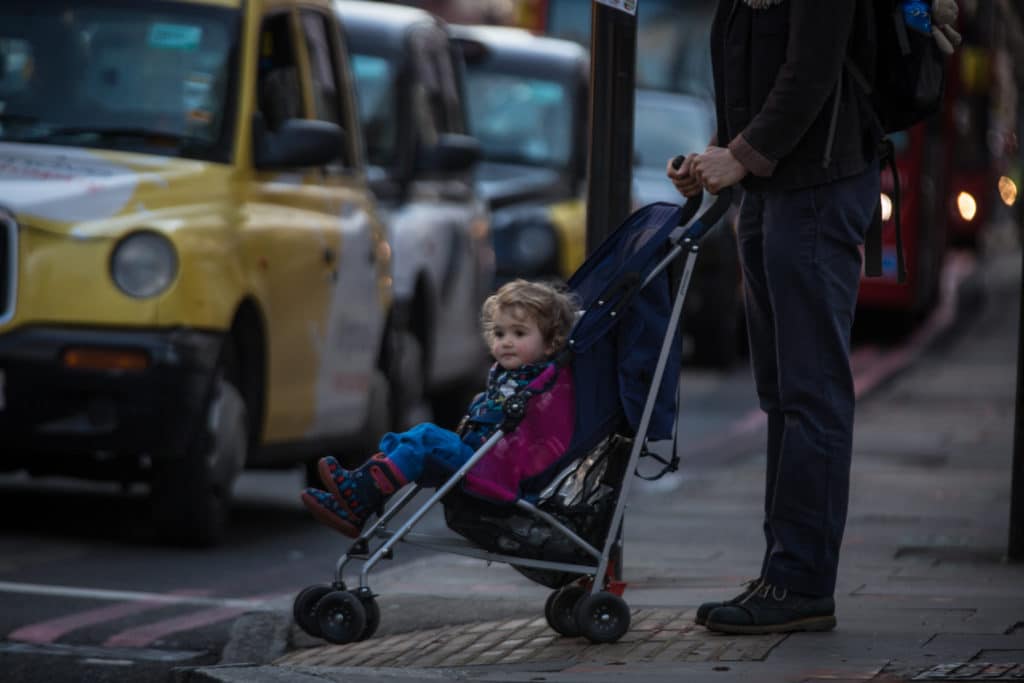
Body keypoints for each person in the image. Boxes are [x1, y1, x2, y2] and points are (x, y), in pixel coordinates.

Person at [666, 1, 890, 635]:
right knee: (782, 395)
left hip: (817, 189)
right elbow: (751, 72)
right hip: (771, 195)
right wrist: (716, 156)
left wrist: (741, 155)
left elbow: (810, 72)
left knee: (812, 393)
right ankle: (781, 574)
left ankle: (802, 582)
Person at [301, 278, 577, 538]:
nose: (505, 342)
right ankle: (358, 503)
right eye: (499, 333)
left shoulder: (547, 388)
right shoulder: (515, 375)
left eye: (519, 333)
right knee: (410, 442)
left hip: (498, 474)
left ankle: (359, 496)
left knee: (427, 437)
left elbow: (548, 442)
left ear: (551, 343)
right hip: (480, 460)